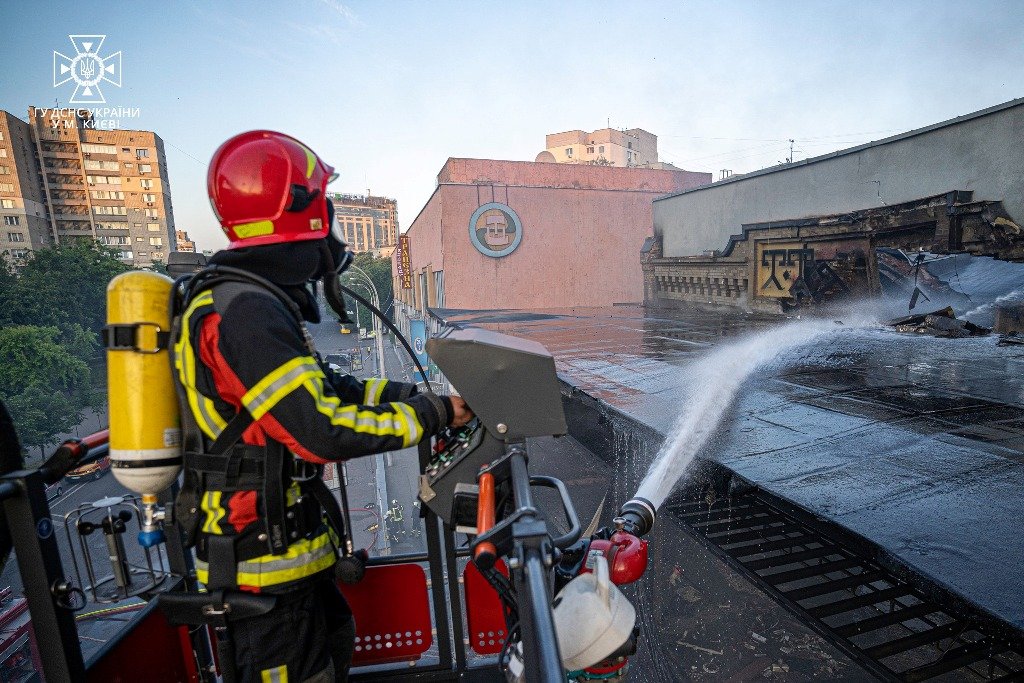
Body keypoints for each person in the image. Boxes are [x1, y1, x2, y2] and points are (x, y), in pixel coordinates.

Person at [172, 130, 471, 682]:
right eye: (324, 205)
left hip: (285, 561)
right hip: (261, 575)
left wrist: (422, 398)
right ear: (304, 209)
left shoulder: (252, 300)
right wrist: (432, 417)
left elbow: (332, 390)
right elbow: (319, 429)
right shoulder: (245, 313)